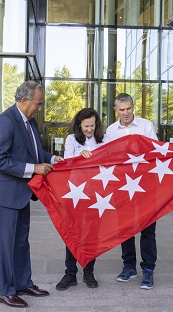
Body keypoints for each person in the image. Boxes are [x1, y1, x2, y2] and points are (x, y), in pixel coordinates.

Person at [0, 81, 63, 308]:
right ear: (24, 100)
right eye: (38, 104)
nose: (40, 108)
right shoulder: (5, 121)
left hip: (20, 193)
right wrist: (33, 168)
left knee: (20, 242)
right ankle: (4, 291)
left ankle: (22, 283)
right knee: (6, 244)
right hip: (3, 194)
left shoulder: (29, 122)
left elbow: (34, 151)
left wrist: (50, 159)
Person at [104, 93, 158, 290]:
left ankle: (149, 269)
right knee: (125, 228)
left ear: (133, 107)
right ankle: (129, 267)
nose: (126, 113)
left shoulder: (146, 126)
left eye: (129, 109)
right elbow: (107, 157)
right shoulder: (110, 131)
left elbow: (156, 152)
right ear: (115, 110)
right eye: (122, 110)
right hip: (122, 186)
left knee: (148, 229)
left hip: (145, 185)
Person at [56, 108, 106, 291]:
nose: (89, 129)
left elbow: (109, 160)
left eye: (92, 125)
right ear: (79, 125)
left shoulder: (104, 139)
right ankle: (70, 273)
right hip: (75, 193)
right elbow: (67, 161)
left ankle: (89, 271)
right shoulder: (71, 139)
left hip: (96, 193)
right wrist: (81, 155)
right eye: (86, 126)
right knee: (73, 232)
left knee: (92, 233)